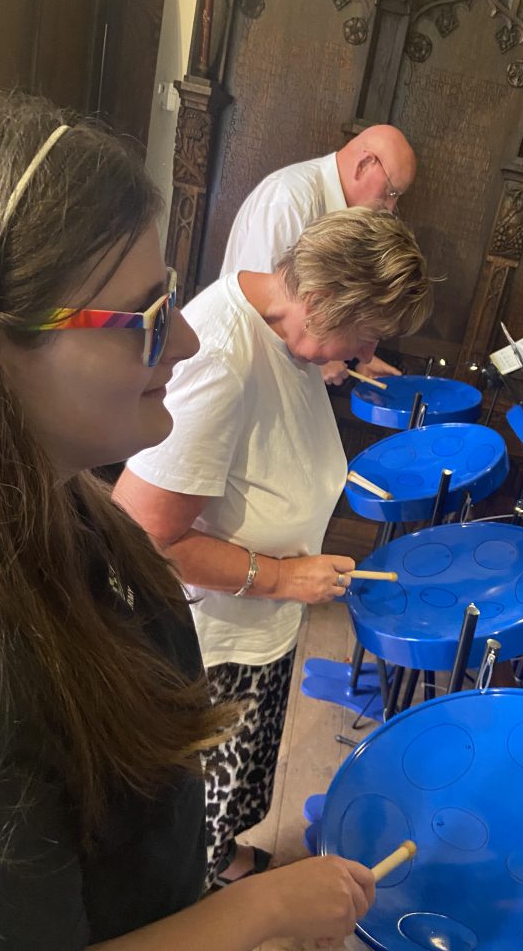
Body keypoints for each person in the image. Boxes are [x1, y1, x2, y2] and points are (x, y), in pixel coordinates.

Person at [0, 86, 375, 950]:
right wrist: (262, 909)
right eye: (148, 320)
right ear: (1, 347)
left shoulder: (65, 504)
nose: (186, 343)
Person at [113, 208, 432, 889]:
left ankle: (223, 858)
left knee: (234, 796)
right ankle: (201, 900)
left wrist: (326, 359)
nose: (360, 352)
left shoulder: (280, 327)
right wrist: (286, 578)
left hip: (255, 624)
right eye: (361, 335)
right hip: (211, 644)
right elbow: (144, 532)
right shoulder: (222, 357)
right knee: (195, 814)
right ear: (318, 301)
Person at [220, 124, 418, 384]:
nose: (391, 208)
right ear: (365, 164)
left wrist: (356, 356)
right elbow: (259, 313)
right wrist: (323, 360)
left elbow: (333, 309)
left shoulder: (344, 214)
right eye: (391, 192)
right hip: (245, 371)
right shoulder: (290, 199)